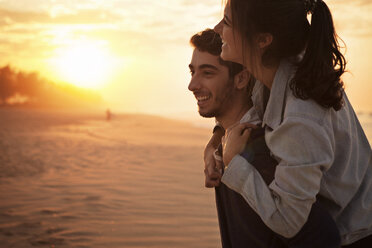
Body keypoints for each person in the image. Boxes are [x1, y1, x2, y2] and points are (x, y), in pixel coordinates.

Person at [206, 0, 372, 246]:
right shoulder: (274, 65)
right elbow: (251, 110)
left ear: (263, 40)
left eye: (228, 22)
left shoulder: (302, 118)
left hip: (353, 237)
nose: (217, 28)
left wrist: (233, 163)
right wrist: (217, 137)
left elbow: (288, 221)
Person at [189, 29, 340, 248]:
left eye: (207, 73)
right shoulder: (228, 146)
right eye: (192, 72)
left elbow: (323, 237)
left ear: (241, 78)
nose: (192, 85)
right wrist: (216, 139)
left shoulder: (258, 152)